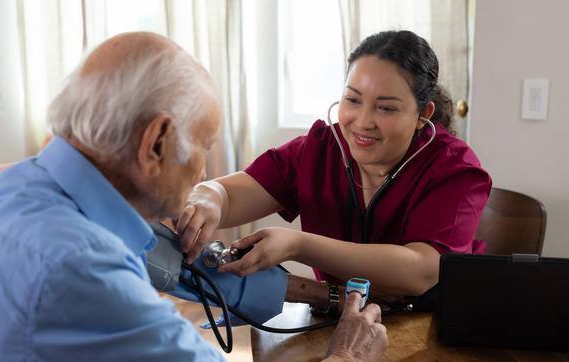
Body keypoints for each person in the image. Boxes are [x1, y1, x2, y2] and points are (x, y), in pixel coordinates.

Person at [0, 32, 388, 362]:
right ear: (156, 142)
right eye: (205, 146)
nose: (206, 171)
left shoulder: (18, 190)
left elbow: (182, 264)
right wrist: (345, 361)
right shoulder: (77, 268)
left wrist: (326, 295)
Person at [177, 30, 492, 310]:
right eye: (353, 100)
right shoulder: (319, 148)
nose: (363, 121)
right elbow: (230, 197)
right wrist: (208, 195)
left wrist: (298, 245)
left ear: (423, 114)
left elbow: (420, 271)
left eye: (385, 108)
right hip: (338, 313)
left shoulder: (456, 169)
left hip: (433, 326)